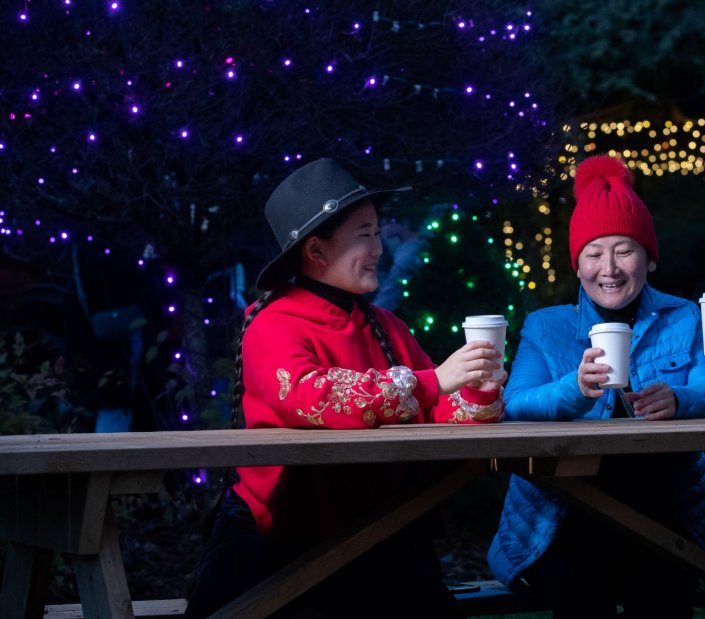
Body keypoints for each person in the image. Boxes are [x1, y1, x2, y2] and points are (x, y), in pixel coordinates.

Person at [185, 158, 505, 618]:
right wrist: (435, 380)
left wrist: (479, 387)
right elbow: (312, 397)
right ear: (316, 251)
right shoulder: (271, 323)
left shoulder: (386, 325)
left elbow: (440, 409)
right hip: (280, 531)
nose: (378, 249)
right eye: (364, 235)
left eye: (377, 233)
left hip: (378, 523)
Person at [487, 155, 705, 618]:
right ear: (577, 265)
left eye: (624, 250)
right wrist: (574, 388)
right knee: (578, 590)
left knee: (663, 589)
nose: (610, 268)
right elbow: (515, 403)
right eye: (594, 253)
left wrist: (679, 399)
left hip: (665, 511)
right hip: (562, 516)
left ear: (650, 257)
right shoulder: (545, 327)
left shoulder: (684, 316)